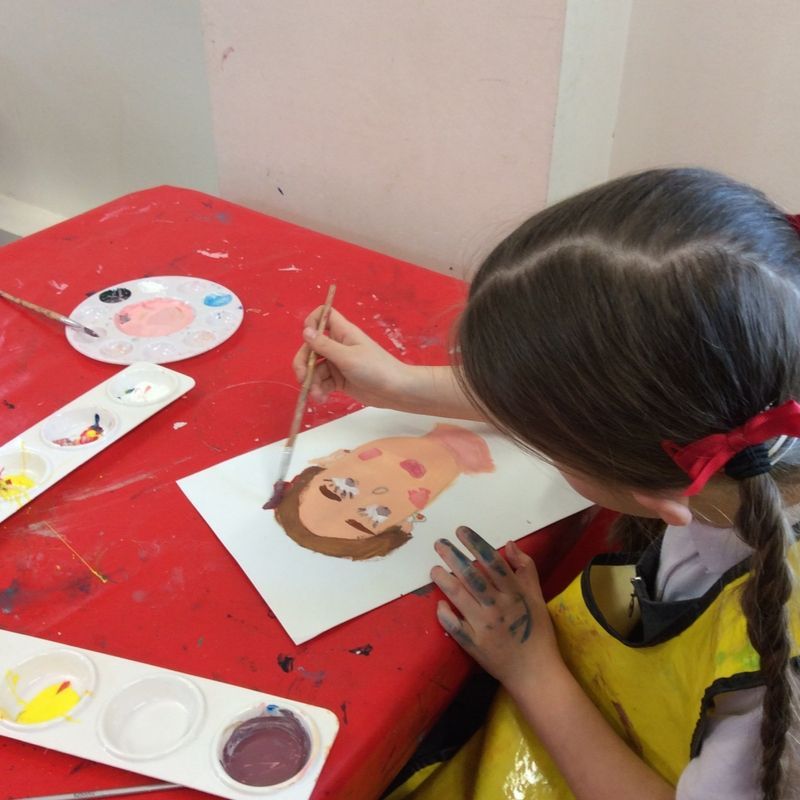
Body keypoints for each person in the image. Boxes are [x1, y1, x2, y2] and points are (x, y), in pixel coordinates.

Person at [292, 168, 800, 799]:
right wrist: (401, 384)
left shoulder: (771, 693)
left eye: (545, 442)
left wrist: (531, 671)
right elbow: (589, 395)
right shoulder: (763, 384)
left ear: (655, 497)